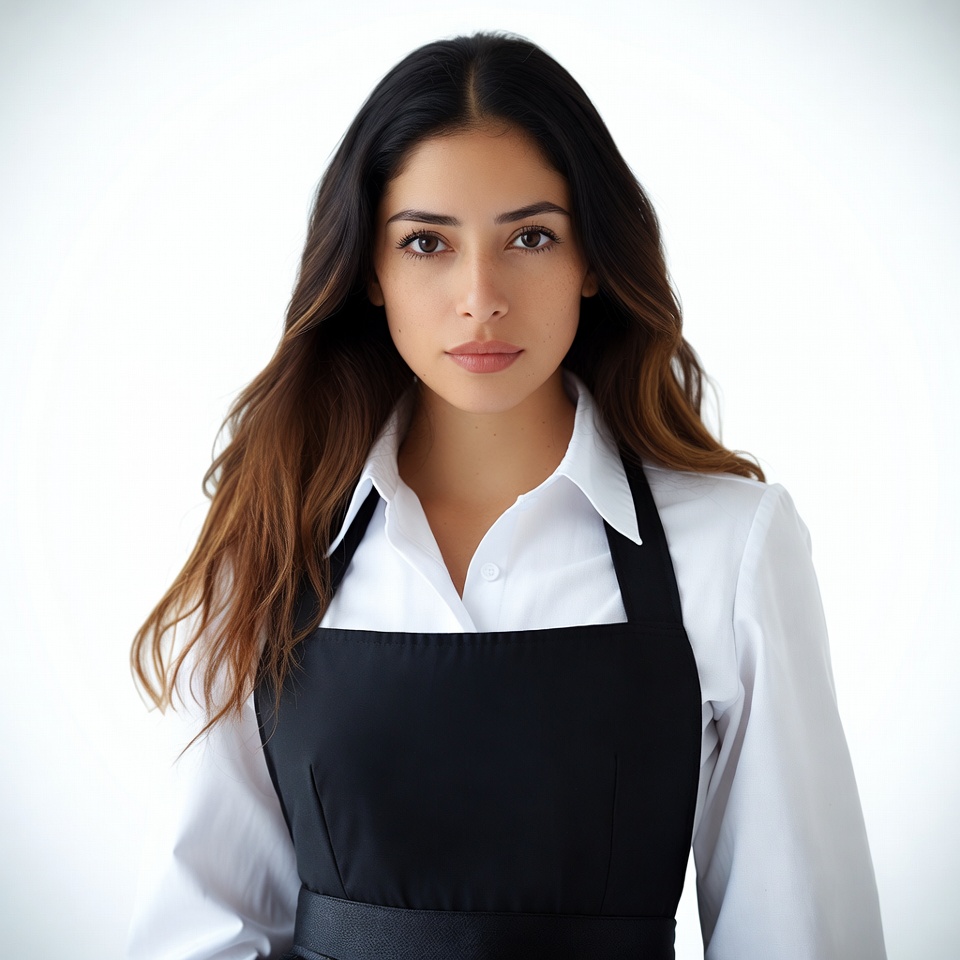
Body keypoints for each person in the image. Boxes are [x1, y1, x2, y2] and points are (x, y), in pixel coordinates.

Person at [127, 31, 886, 960]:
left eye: (530, 237)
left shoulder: (731, 545)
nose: (479, 296)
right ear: (370, 270)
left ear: (593, 259)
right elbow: (204, 925)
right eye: (426, 243)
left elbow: (800, 934)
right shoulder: (271, 538)